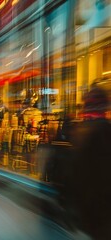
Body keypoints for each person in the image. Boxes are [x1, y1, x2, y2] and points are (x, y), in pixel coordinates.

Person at [62, 85, 111, 239]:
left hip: (85, 203)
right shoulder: (104, 130)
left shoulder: (79, 130)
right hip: (101, 203)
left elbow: (72, 170)